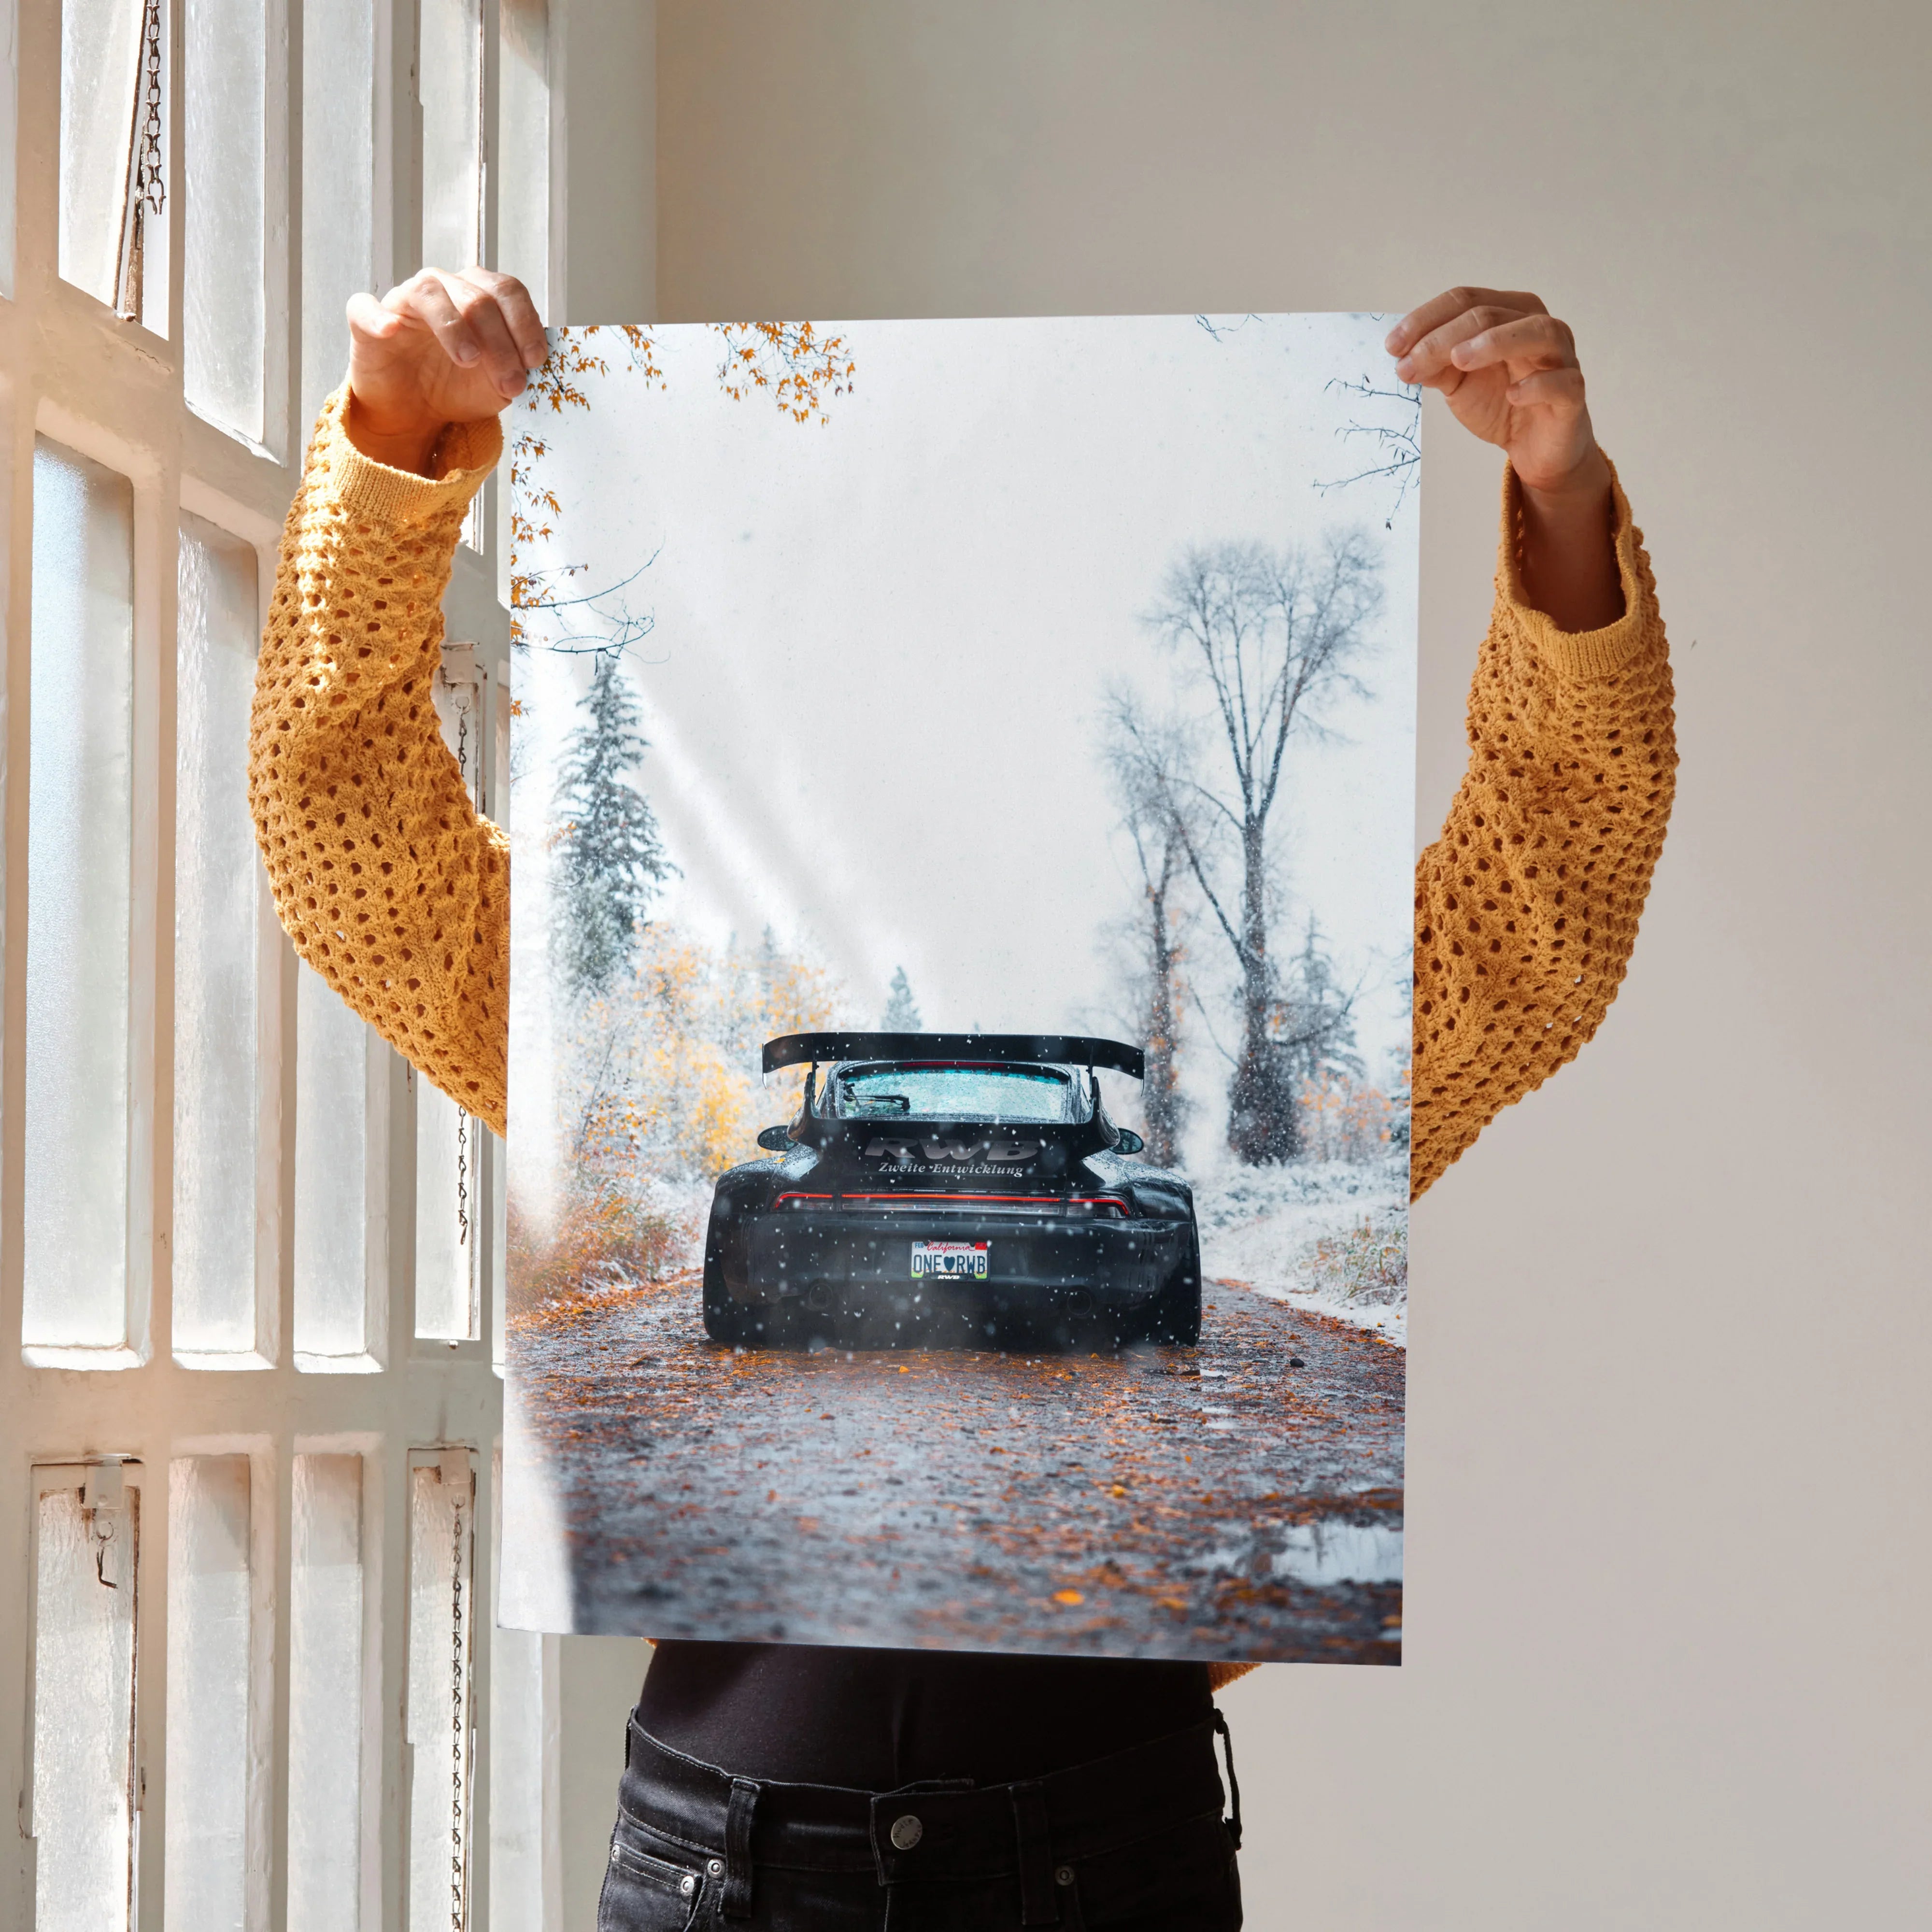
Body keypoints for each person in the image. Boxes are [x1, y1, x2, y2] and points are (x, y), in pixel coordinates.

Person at [250, 269, 1675, 1930]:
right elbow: (346, 842)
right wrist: (393, 444)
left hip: (1100, 1852)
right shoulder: (599, 1026)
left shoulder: (1041, 1127)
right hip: (733, 1867)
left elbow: (1545, 907)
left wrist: (1561, 497)